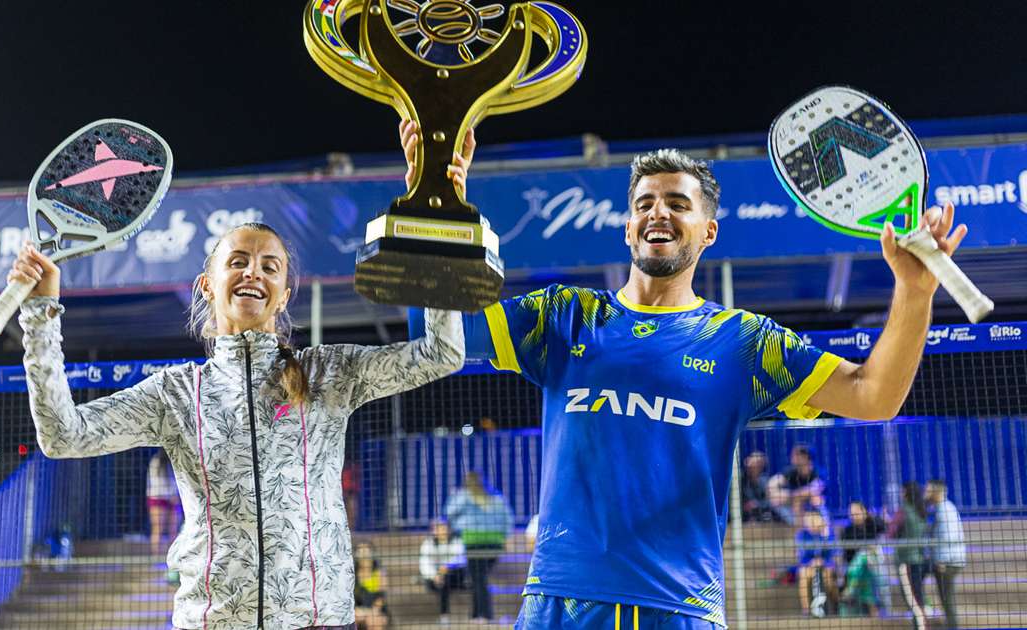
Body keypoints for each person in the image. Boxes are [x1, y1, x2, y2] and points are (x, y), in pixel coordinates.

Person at [404, 120, 970, 628]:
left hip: (679, 611)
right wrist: (433, 199)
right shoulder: (565, 315)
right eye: (646, 202)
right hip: (559, 604)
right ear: (628, 229)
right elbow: (435, 330)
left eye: (678, 203)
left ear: (708, 232)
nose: (659, 213)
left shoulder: (744, 342)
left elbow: (874, 396)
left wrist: (914, 293)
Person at [12, 221, 464, 630]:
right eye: (238, 262)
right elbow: (63, 434)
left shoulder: (328, 373)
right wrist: (40, 314)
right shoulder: (175, 393)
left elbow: (441, 354)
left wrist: (432, 227)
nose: (253, 273)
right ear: (207, 286)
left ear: (284, 293)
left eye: (270, 266)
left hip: (321, 621)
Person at [445, 471, 513, 623]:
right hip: (494, 544)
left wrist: (456, 496)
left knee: (478, 578)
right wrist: (505, 538)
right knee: (478, 578)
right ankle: (477, 614)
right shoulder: (497, 498)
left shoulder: (463, 496)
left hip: (474, 543)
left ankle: (484, 615)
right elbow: (508, 520)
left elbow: (449, 513)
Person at [890, 482, 930, 630]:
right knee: (917, 598)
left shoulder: (904, 511)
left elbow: (890, 534)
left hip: (906, 561)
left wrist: (889, 523)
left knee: (913, 602)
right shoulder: (921, 511)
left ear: (906, 493)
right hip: (918, 559)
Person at [927, 479, 965, 630]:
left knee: (947, 600)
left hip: (948, 562)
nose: (926, 493)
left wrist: (942, 561)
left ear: (937, 491)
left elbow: (948, 537)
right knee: (946, 599)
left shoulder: (944, 510)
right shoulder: (942, 508)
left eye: (929, 490)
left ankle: (952, 627)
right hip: (949, 560)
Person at [419, 519, 466, 621]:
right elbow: (424, 563)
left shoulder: (457, 541)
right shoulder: (428, 543)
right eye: (438, 529)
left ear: (449, 529)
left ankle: (444, 616)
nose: (442, 531)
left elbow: (461, 559)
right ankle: (444, 616)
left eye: (444, 528)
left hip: (455, 577)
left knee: (445, 579)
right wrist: (434, 575)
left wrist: (447, 567)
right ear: (434, 531)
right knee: (442, 581)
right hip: (434, 579)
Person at [767, 444, 826, 525]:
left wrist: (789, 496)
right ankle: (797, 526)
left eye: (795, 455)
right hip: (794, 507)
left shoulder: (818, 472)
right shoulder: (792, 471)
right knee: (776, 499)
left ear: (805, 457)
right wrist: (776, 493)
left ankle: (823, 529)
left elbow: (814, 490)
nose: (792, 457)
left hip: (814, 508)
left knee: (814, 498)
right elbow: (772, 483)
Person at [794, 511, 838, 617]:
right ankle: (806, 611)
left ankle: (835, 605)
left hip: (826, 565)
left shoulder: (828, 533)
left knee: (827, 578)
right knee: (803, 574)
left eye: (813, 520)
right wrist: (812, 562)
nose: (811, 523)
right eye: (808, 521)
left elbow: (832, 553)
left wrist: (825, 535)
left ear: (821, 520)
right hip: (808, 565)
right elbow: (802, 555)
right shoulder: (801, 535)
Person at [147, 450, 181, 557]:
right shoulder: (157, 461)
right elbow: (157, 482)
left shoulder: (174, 460)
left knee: (173, 530)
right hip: (158, 498)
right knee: (158, 530)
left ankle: (173, 557)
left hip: (171, 498)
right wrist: (171, 495)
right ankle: (156, 557)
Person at [352, 542, 389, 630]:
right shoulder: (352, 574)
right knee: (352, 620)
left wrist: (372, 611)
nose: (364, 554)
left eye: (367, 551)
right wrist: (357, 610)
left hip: (376, 610)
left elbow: (381, 597)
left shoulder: (379, 573)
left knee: (373, 621)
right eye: (361, 551)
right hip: (358, 610)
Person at [839, 501, 885, 569]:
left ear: (864, 512)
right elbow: (848, 554)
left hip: (873, 562)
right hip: (855, 564)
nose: (853, 515)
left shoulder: (872, 524)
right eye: (851, 513)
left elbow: (882, 527)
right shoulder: (847, 530)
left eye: (856, 512)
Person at [740, 452, 776, 522]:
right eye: (754, 464)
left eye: (759, 464)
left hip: (761, 513)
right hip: (743, 516)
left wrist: (757, 504)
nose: (755, 467)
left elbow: (770, 502)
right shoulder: (738, 480)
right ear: (747, 463)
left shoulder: (764, 481)